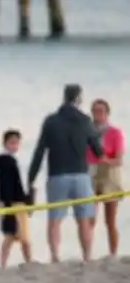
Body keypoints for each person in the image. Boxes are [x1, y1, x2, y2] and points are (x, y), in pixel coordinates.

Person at [27, 84, 105, 262]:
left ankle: (55, 256)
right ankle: (87, 256)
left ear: (64, 97)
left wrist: (31, 178)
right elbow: (98, 150)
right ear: (78, 98)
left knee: (55, 220)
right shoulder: (85, 120)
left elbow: (40, 151)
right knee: (84, 219)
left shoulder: (51, 121)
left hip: (57, 175)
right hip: (81, 175)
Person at [87, 99, 124, 257]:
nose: (98, 115)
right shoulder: (87, 133)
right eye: (95, 111)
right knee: (89, 219)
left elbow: (119, 159)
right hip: (91, 173)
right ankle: (87, 253)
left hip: (109, 174)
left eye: (101, 111)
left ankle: (113, 253)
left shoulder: (115, 132)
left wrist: (106, 160)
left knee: (110, 221)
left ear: (107, 113)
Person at [0, 129, 33, 268]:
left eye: (17, 143)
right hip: (15, 203)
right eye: (12, 143)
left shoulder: (9, 162)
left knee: (11, 235)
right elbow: (9, 185)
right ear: (5, 144)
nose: (15, 146)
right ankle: (28, 261)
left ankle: (3, 263)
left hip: (13, 202)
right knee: (23, 237)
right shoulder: (8, 162)